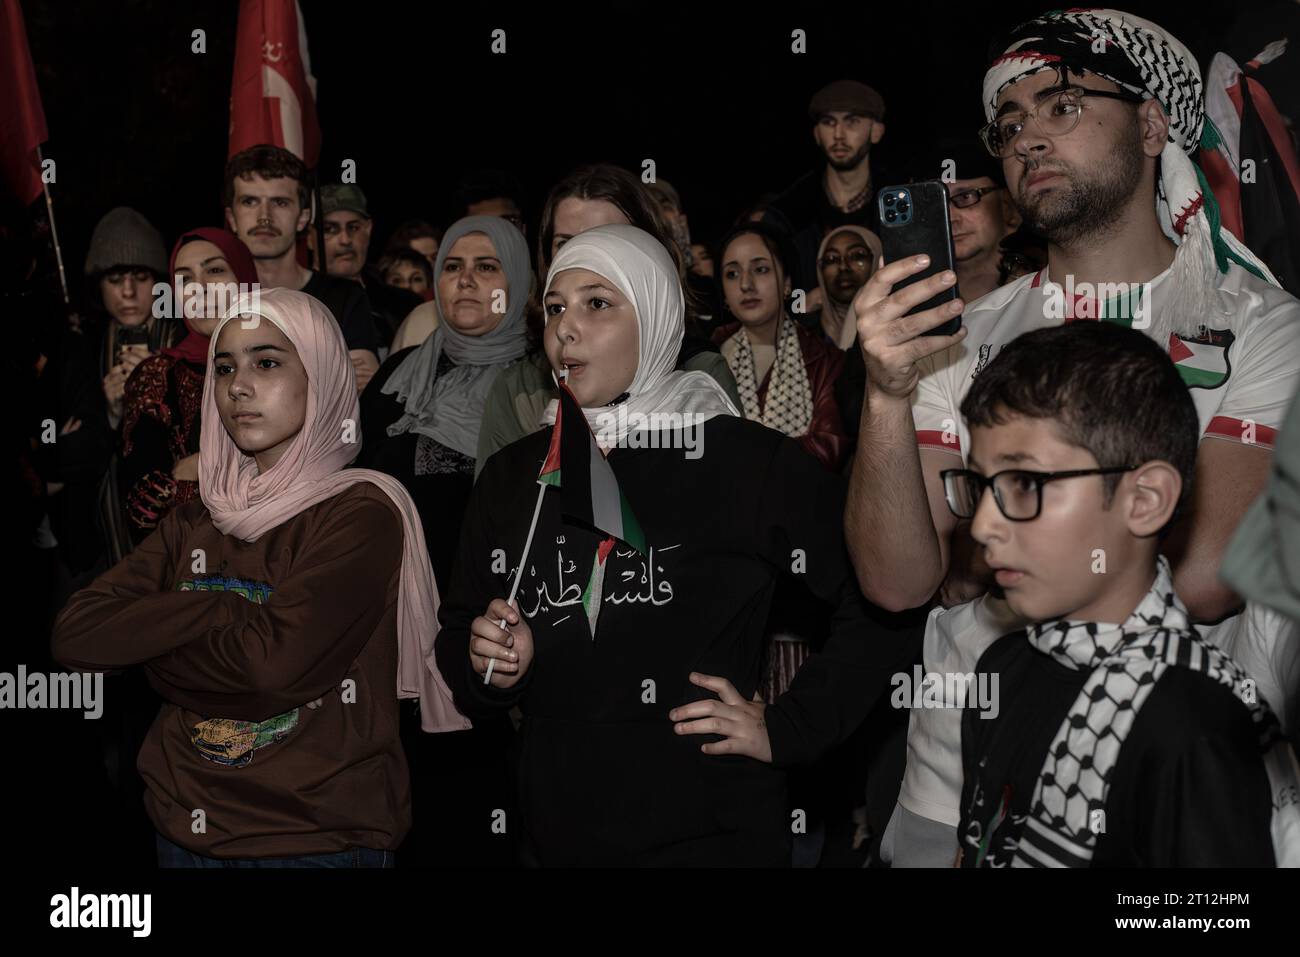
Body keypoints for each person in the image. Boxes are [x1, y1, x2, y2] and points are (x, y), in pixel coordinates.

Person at [845, 8, 1300, 867]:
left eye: (1062, 106)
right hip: (965, 755)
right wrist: (884, 395)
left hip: (1182, 773)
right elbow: (902, 580)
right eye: (1009, 124)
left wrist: (985, 558)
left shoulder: (1261, 325)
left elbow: (1204, 576)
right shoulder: (954, 336)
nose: (1026, 139)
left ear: (1154, 123)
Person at [434, 224, 923, 866]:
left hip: (712, 837)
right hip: (552, 837)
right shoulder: (513, 474)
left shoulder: (739, 460)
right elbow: (458, 635)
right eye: (555, 307)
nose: (565, 329)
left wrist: (790, 727)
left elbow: (886, 602)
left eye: (597, 303)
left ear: (658, 318)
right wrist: (488, 667)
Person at [52, 287, 466, 867]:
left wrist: (150, 645)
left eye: (267, 362)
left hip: (312, 840)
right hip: (181, 824)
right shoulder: (199, 514)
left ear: (320, 373)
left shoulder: (361, 513)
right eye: (224, 368)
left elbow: (269, 671)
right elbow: (75, 635)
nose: (238, 386)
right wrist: (217, 613)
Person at [952, 322, 1297, 866]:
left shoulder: (1196, 726)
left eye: (1024, 484)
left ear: (1145, 500)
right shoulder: (1004, 664)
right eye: (979, 485)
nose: (982, 525)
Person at [359, 215, 530, 867]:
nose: (465, 279)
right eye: (453, 265)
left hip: (478, 645)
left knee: (475, 826)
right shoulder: (401, 372)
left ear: (515, 283)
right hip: (383, 641)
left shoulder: (535, 384)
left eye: (487, 267)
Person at [475, 164, 740, 470]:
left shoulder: (702, 382)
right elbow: (500, 510)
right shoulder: (517, 388)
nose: (584, 254)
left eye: (607, 236)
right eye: (565, 243)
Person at [120, 228, 258, 543]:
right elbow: (144, 508)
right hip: (188, 569)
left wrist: (205, 466)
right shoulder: (157, 376)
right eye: (185, 278)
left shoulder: (288, 362)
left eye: (215, 270)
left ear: (246, 279)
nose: (200, 288)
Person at [223, 145, 380, 391]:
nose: (265, 216)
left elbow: (359, 390)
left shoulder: (345, 297)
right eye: (250, 201)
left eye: (280, 202)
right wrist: (325, 372)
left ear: (304, 218)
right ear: (232, 218)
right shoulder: (217, 301)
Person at [713, 220, 848, 472]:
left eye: (760, 269)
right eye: (732, 274)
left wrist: (743, 457)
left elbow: (828, 449)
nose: (745, 284)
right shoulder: (707, 359)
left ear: (787, 282)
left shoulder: (825, 359)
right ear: (723, 293)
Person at [765, 80, 886, 302]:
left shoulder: (900, 202)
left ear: (876, 131)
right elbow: (771, 293)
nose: (839, 134)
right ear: (817, 134)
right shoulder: (787, 213)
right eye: (829, 122)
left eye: (852, 122)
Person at [313, 183, 422, 351]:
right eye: (330, 229)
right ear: (308, 236)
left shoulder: (405, 305)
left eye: (353, 227)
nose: (345, 239)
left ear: (368, 229)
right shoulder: (297, 304)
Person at [812, 225, 880, 349]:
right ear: (820, 269)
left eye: (857, 256)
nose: (843, 267)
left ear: (877, 260)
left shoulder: (896, 323)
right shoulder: (804, 334)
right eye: (831, 259)